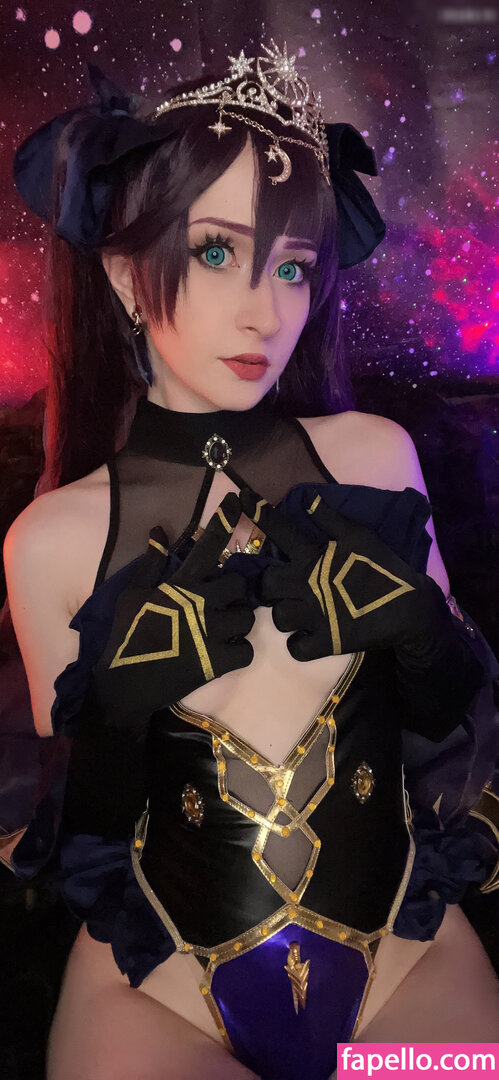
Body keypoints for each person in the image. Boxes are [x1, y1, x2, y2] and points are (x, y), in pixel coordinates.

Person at [3, 42, 499, 1080]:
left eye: (291, 266)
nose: (265, 312)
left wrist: (423, 634)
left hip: (407, 968)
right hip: (154, 998)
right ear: (123, 274)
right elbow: (84, 837)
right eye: (216, 252)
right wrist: (116, 713)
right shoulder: (49, 543)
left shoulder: (375, 459)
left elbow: (456, 735)